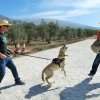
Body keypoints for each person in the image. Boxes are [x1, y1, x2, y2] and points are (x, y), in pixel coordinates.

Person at [0, 20, 25, 93]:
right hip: (1, 59)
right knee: (2, 73)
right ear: (1, 26)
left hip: (7, 57)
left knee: (13, 68)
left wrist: (9, 50)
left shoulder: (3, 36)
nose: (8, 27)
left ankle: (17, 80)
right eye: (6, 26)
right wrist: (1, 55)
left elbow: (3, 46)